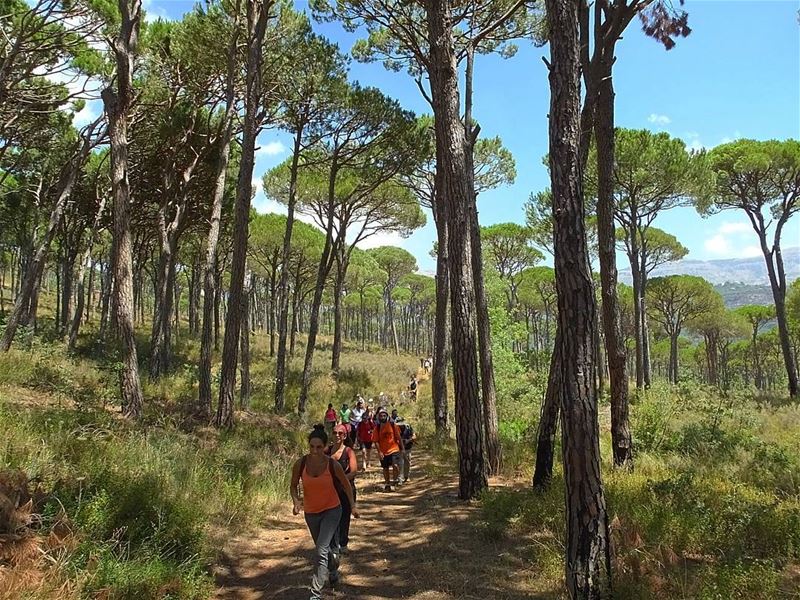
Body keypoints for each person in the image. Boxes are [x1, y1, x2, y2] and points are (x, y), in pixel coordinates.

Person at [291, 425, 359, 598]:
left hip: (332, 510)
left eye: (319, 447)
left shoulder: (332, 465)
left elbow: (346, 485)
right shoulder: (301, 463)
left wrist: (352, 506)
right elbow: (293, 486)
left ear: (324, 446)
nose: (315, 450)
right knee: (325, 550)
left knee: (321, 549)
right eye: (312, 446)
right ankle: (333, 568)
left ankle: (315, 593)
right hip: (311, 513)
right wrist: (296, 501)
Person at [325, 424, 358, 552]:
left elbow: (354, 472)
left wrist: (341, 480)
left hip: (346, 490)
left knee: (344, 516)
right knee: (331, 517)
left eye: (340, 433)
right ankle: (333, 544)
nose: (337, 435)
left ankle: (343, 543)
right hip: (330, 490)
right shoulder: (327, 451)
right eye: (334, 433)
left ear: (344, 436)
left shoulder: (349, 451)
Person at [375, 408, 404, 492]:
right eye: (381, 416)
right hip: (383, 451)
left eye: (384, 415)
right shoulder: (377, 428)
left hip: (394, 449)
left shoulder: (392, 425)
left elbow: (398, 437)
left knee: (395, 465)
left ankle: (394, 481)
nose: (382, 417)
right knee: (385, 468)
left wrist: (402, 448)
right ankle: (387, 484)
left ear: (387, 416)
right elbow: (376, 441)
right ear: (378, 417)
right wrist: (379, 452)